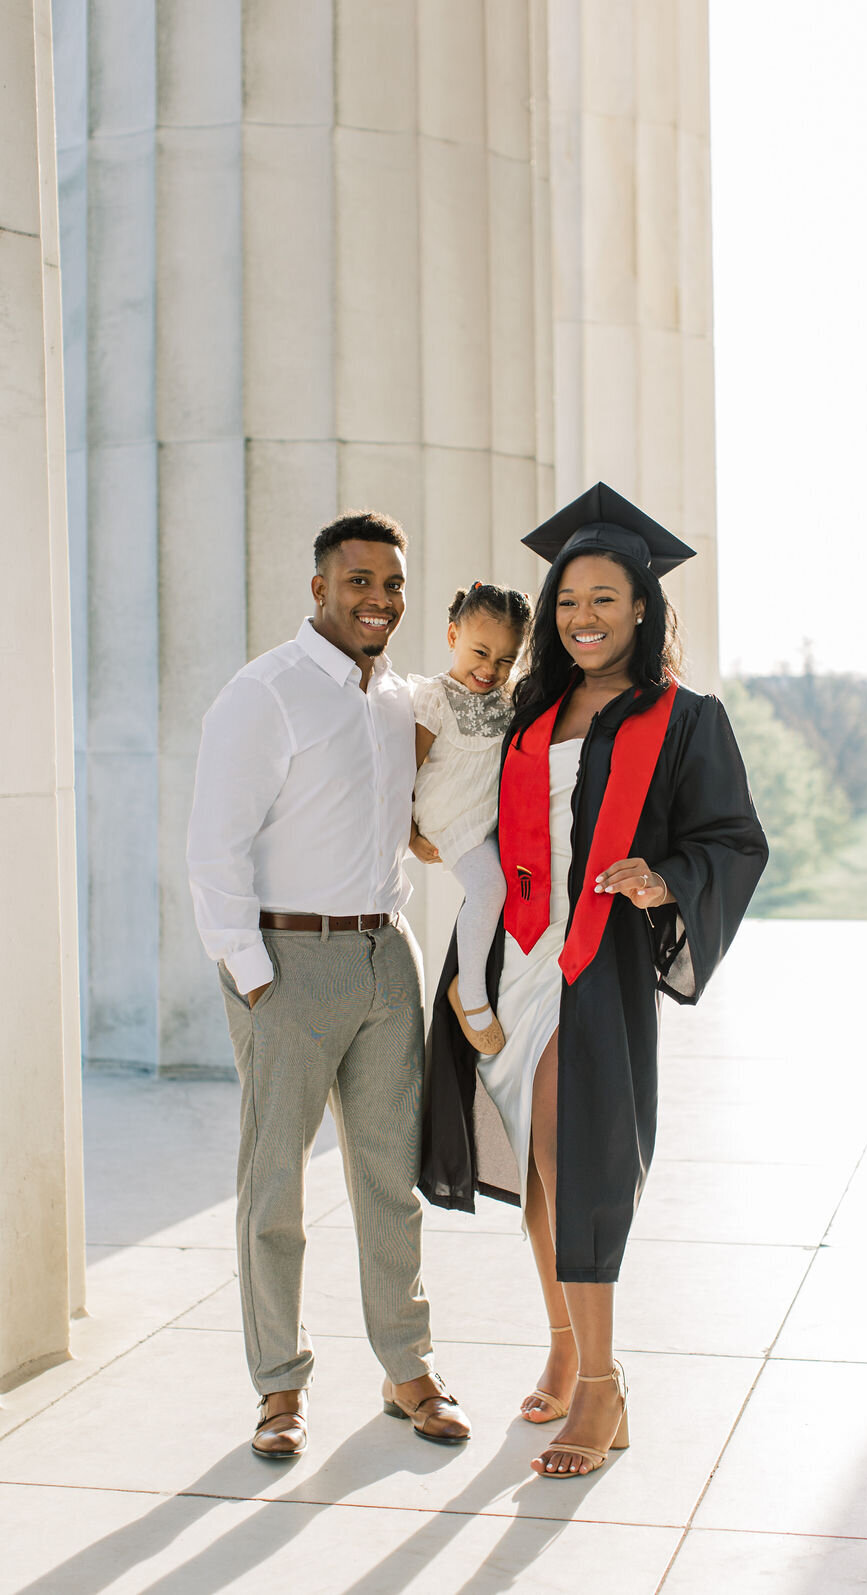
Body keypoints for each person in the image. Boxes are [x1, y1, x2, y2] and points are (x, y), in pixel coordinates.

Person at [419, 483, 768, 1479]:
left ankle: (605, 1386)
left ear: (643, 607)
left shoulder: (684, 718)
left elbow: (732, 839)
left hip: (594, 961)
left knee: (581, 1159)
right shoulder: (528, 707)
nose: (584, 617)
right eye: (569, 599)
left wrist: (668, 879)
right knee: (536, 1160)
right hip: (513, 952)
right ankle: (569, 1341)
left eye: (606, 598)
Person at [186, 511, 471, 1459]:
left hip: (386, 957)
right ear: (319, 589)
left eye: (392, 584)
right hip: (288, 965)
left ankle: (407, 1367)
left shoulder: (399, 700)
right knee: (274, 1188)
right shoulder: (262, 694)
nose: (378, 599)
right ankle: (278, 1386)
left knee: (392, 1180)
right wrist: (257, 977)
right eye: (358, 582)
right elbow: (213, 848)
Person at [408, 581, 533, 1055]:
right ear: (452, 636)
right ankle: (470, 993)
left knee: (518, 885)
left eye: (505, 660)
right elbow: (406, 768)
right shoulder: (434, 698)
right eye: (480, 652)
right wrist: (409, 831)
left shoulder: (508, 702)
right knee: (490, 888)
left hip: (488, 817)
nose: (490, 669)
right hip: (449, 817)